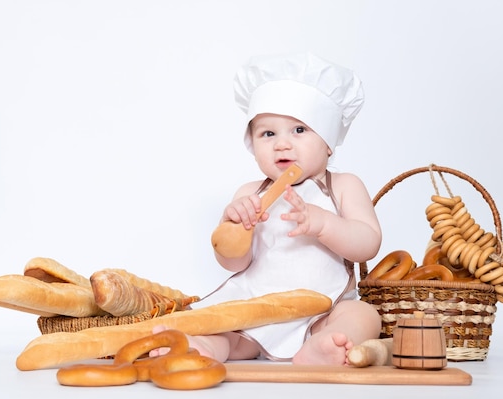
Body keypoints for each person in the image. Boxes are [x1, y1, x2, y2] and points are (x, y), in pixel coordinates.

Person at [157, 52, 382, 366]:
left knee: (362, 314)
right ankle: (202, 348)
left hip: (323, 310)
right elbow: (235, 264)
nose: (282, 144)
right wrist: (233, 228)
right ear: (252, 144)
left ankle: (322, 347)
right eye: (268, 133)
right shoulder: (250, 194)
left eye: (299, 130)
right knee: (226, 330)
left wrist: (324, 225)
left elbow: (367, 245)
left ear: (328, 142)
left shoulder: (343, 185)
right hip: (256, 307)